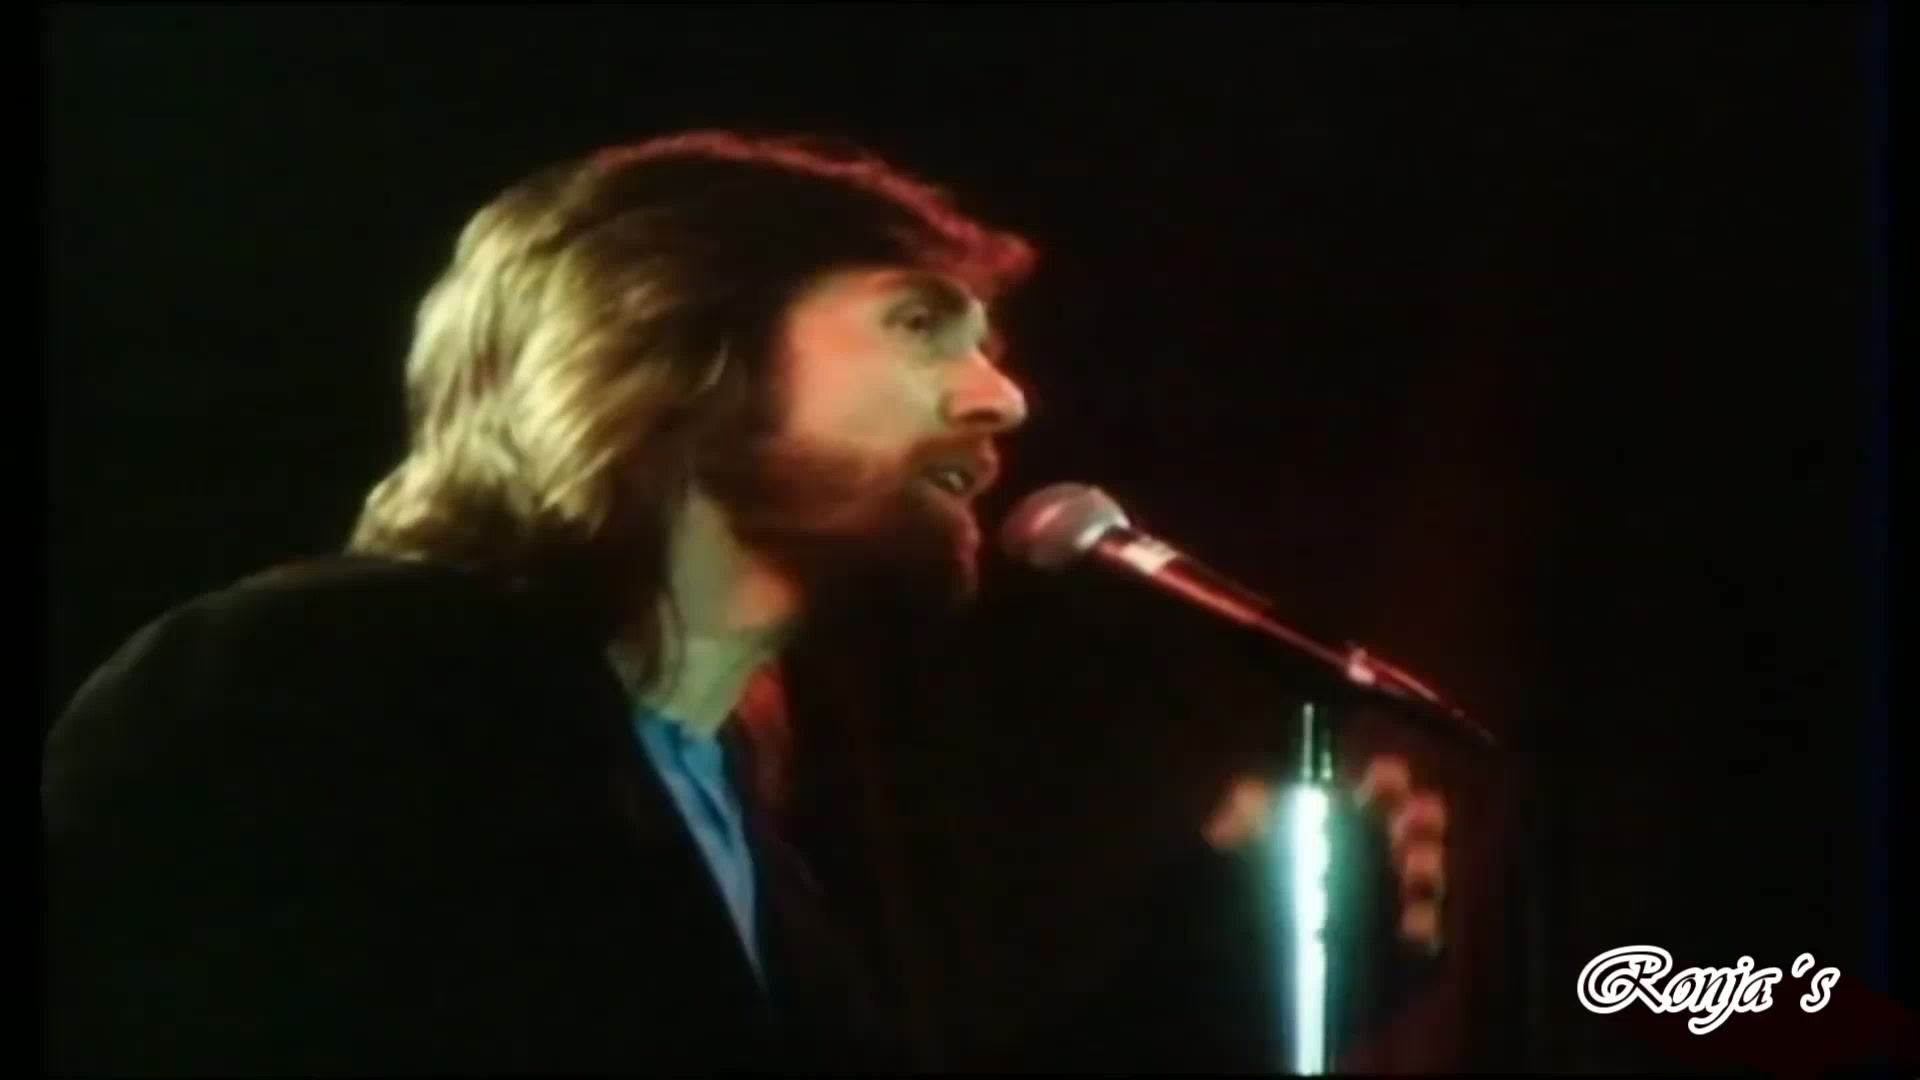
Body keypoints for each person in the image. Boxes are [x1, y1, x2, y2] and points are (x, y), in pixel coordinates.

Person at [42, 131, 1448, 1074]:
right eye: (918, 323)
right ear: (672, 338)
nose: (1003, 399)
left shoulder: (743, 822)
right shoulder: (311, 677)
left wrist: (1226, 985)